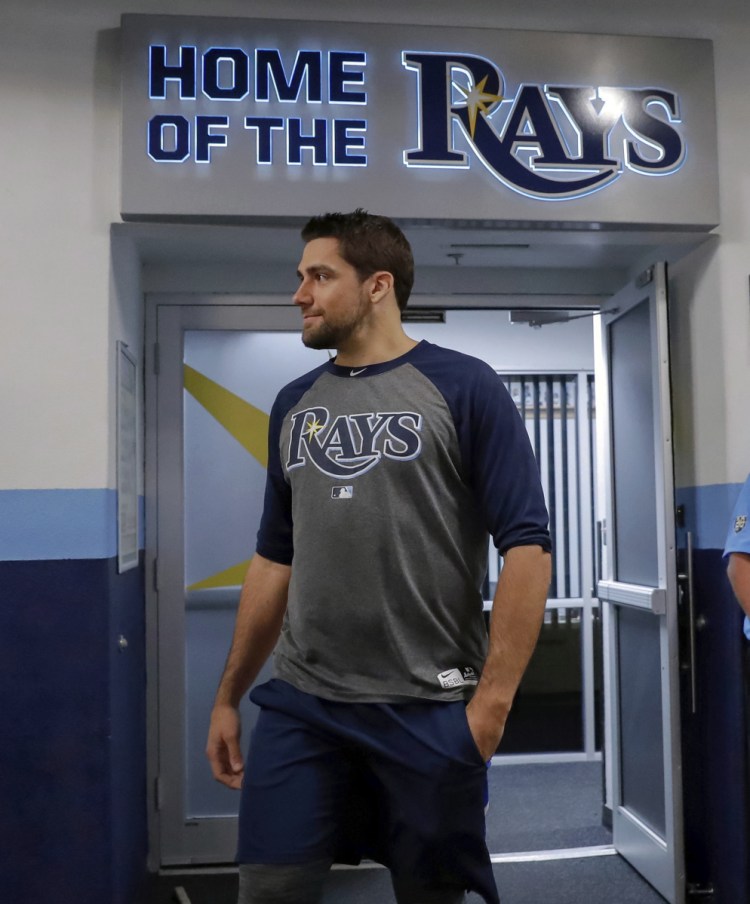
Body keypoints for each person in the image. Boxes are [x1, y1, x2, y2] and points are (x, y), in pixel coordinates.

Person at [206, 209, 552, 904]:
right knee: (269, 888)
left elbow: (528, 546)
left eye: (319, 276)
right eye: (300, 277)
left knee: (433, 895)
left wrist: (491, 706)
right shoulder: (294, 403)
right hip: (306, 703)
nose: (299, 293)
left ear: (377, 286)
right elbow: (276, 558)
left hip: (428, 706)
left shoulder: (464, 385)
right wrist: (228, 695)